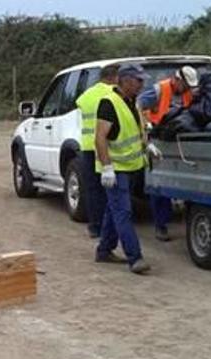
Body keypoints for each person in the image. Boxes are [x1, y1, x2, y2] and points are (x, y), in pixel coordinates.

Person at [94, 63, 156, 275]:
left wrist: (148, 145)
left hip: (131, 167)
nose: (142, 84)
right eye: (139, 80)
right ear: (126, 80)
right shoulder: (109, 103)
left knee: (115, 210)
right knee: (123, 212)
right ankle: (135, 257)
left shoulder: (132, 101)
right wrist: (107, 168)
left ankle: (104, 250)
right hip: (116, 169)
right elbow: (100, 137)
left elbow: (137, 129)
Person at [138, 66, 199, 242]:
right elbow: (138, 105)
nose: (187, 89)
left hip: (180, 142)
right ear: (177, 79)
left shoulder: (188, 93)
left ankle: (184, 219)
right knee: (159, 185)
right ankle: (161, 225)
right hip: (159, 142)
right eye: (185, 85)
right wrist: (145, 129)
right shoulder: (159, 90)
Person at [74, 65, 120, 238]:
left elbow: (78, 105)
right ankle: (112, 226)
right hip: (109, 147)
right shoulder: (115, 94)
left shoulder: (86, 96)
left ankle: (95, 226)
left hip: (88, 147)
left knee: (93, 189)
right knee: (112, 188)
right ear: (114, 77)